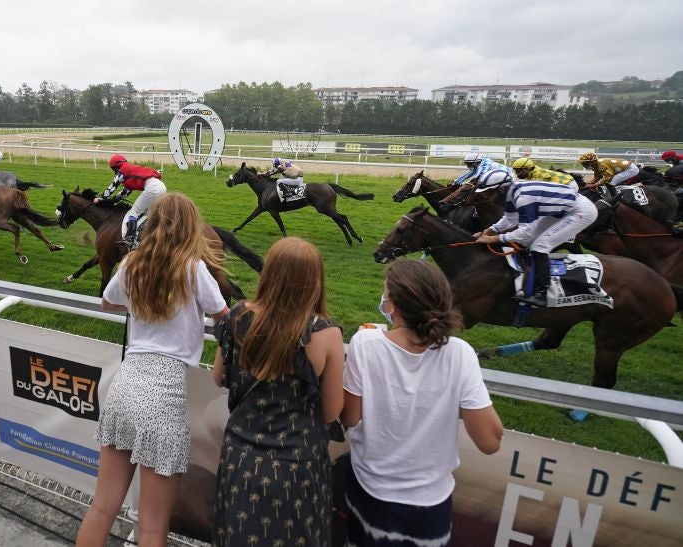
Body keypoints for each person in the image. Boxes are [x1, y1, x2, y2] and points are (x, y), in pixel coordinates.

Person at [76, 193, 229, 547]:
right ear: (192, 228)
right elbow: (224, 316)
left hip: (126, 385)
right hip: (164, 397)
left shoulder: (133, 263)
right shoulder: (195, 268)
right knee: (152, 526)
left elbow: (108, 302)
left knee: (102, 507)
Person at [340, 259, 502, 547]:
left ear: (394, 306)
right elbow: (490, 441)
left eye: (386, 295)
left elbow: (350, 418)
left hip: (372, 492)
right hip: (430, 503)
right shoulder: (460, 353)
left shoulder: (365, 344)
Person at [212, 237, 344, 547]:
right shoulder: (326, 333)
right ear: (315, 281)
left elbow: (219, 376)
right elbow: (331, 412)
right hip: (299, 466)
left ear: (269, 272)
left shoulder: (239, 315)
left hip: (240, 458)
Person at [473, 170, 598, 307]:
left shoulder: (523, 197)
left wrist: (493, 239)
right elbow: (510, 220)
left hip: (581, 212)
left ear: (502, 188)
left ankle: (543, 293)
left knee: (540, 246)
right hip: (562, 209)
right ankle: (528, 278)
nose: (488, 197)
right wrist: (488, 231)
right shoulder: (511, 192)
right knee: (529, 242)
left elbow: (524, 232)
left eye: (489, 192)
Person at [93, 154, 166, 248]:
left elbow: (112, 186)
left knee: (134, 213)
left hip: (152, 188)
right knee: (148, 214)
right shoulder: (130, 170)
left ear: (117, 166)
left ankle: (130, 239)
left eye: (114, 169)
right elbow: (125, 192)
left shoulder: (123, 170)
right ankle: (149, 237)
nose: (115, 171)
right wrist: (113, 200)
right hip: (161, 187)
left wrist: (100, 198)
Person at [511, 157, 579, 191]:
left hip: (569, 185)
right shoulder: (532, 170)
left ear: (526, 169)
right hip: (563, 183)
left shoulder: (538, 177)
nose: (517, 174)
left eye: (518, 171)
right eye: (516, 171)